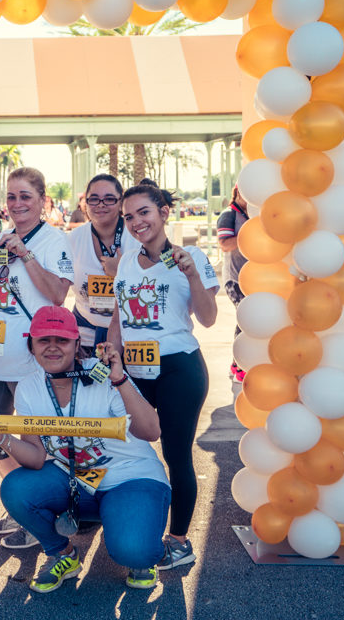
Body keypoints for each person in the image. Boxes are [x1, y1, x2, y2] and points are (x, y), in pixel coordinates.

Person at [0, 306, 169, 592]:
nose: (52, 347)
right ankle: (63, 555)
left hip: (130, 478)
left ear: (77, 345)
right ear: (31, 345)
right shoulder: (28, 388)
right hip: (78, 481)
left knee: (132, 550)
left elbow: (151, 432)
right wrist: (2, 439)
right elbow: (36, 459)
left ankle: (138, 540)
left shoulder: (102, 375)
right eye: (43, 340)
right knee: (16, 488)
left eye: (61, 340)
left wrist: (120, 379)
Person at [110, 181, 218, 571]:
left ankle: (178, 540)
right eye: (129, 216)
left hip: (178, 369)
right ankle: (128, 522)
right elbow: (119, 314)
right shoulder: (126, 259)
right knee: (126, 446)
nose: (137, 222)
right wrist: (112, 352)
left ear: (164, 212)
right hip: (134, 373)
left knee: (175, 454)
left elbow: (208, 319)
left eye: (144, 212)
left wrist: (190, 275)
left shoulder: (190, 258)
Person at [0, 167, 74, 548]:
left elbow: (58, 295)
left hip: (31, 360)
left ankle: (36, 515)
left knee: (36, 445)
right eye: (10, 197)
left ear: (43, 201)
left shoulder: (54, 240)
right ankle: (19, 508)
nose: (17, 204)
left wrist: (26, 255)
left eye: (25, 196)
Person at [68, 174, 140, 356]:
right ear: (85, 202)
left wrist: (123, 271)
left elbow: (158, 286)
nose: (101, 205)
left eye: (109, 199)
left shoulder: (139, 235)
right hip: (85, 335)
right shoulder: (73, 239)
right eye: (94, 199)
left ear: (120, 202)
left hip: (131, 335)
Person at [217, 185, 249, 382]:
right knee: (245, 319)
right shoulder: (229, 215)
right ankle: (237, 365)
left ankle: (240, 362)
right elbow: (224, 243)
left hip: (254, 279)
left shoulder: (254, 215)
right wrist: (249, 235)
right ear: (237, 193)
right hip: (235, 279)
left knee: (249, 321)